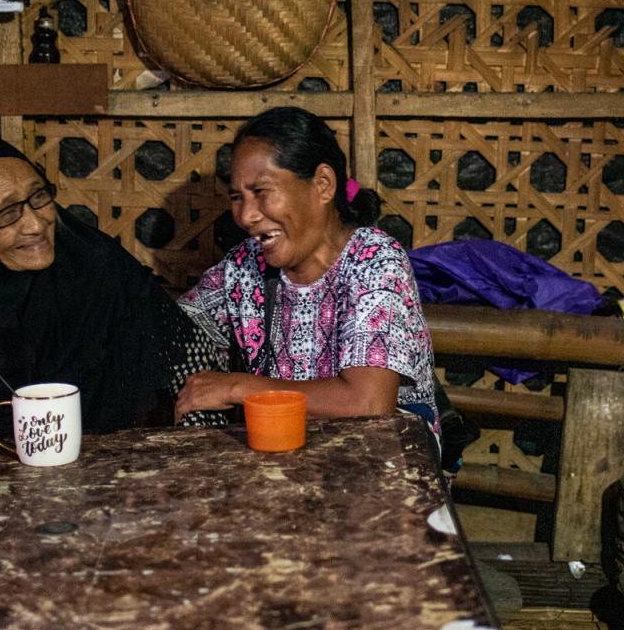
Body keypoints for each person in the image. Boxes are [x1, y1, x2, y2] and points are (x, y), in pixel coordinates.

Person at [0, 136, 217, 434]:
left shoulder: (98, 270)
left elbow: (195, 364)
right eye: (7, 213)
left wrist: (192, 452)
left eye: (38, 196)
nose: (36, 223)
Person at [174, 106, 438, 434]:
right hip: (294, 452)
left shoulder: (373, 260)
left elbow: (368, 404)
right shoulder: (246, 267)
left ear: (323, 185)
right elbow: (175, 326)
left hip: (385, 460)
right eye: (237, 197)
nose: (246, 216)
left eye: (261, 192)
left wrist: (237, 388)